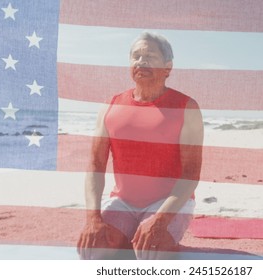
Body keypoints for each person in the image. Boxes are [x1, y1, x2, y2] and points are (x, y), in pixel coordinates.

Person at [76, 32, 204, 259]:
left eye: (150, 56)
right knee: (94, 250)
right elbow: (95, 166)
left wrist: (159, 220)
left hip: (168, 203)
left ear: (168, 67)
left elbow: (191, 175)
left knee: (152, 251)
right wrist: (93, 218)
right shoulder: (111, 106)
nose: (141, 61)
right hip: (123, 201)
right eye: (136, 56)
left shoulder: (186, 107)